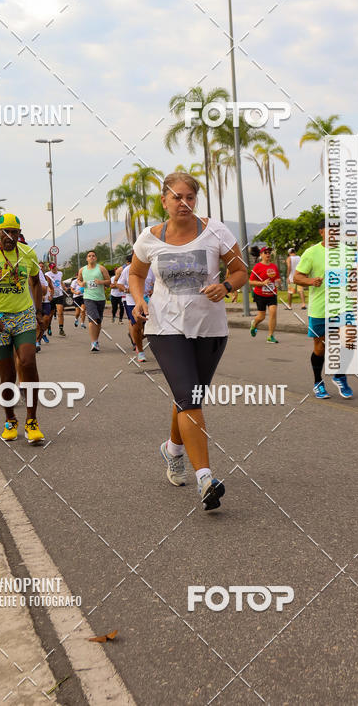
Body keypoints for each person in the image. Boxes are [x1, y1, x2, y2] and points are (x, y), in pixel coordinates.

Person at [129, 171, 247, 511]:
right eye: (177, 197)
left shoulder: (215, 231)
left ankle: (173, 449)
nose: (184, 203)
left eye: (190, 197)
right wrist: (139, 299)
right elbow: (136, 274)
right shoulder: (150, 238)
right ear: (164, 201)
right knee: (189, 397)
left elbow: (240, 270)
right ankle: (206, 479)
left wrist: (225, 287)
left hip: (210, 328)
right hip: (165, 327)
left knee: (189, 396)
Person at [0, 213, 44, 444]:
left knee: (28, 362)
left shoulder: (27, 253)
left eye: (15, 232)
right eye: (7, 232)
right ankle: (10, 419)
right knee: (7, 376)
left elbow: (35, 283)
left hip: (23, 317)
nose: (11, 236)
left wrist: (39, 313)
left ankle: (32, 422)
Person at [293, 220, 354, 400]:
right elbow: (297, 277)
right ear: (321, 232)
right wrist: (311, 281)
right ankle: (318, 382)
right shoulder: (311, 253)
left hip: (343, 306)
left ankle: (339, 376)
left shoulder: (347, 251)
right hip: (320, 309)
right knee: (320, 348)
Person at [118, 256, 154, 363]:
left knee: (152, 327)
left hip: (148, 300)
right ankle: (141, 351)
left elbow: (157, 283)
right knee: (138, 326)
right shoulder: (128, 269)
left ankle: (135, 335)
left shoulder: (151, 269)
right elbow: (119, 284)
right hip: (132, 301)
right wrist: (125, 289)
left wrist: (153, 290)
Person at [78, 250, 111, 352]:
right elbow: (78, 279)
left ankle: (96, 341)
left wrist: (101, 282)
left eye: (93, 256)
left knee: (98, 321)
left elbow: (109, 282)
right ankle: (93, 343)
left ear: (95, 258)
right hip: (88, 297)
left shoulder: (101, 268)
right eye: (89, 256)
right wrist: (81, 284)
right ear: (87, 259)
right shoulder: (82, 270)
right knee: (93, 319)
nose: (91, 257)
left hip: (100, 298)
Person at [249, 247, 281, 343]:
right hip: (260, 295)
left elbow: (277, 279)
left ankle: (270, 336)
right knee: (261, 316)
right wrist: (262, 283)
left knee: (273, 312)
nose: (268, 254)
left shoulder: (274, 266)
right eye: (265, 252)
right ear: (261, 255)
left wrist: (278, 282)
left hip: (272, 294)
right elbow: (250, 282)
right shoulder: (257, 267)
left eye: (269, 252)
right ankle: (254, 323)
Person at [46, 262, 66, 336]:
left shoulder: (60, 273)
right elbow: (47, 284)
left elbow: (60, 281)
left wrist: (64, 286)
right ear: (50, 268)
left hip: (59, 295)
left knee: (60, 312)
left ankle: (61, 329)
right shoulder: (47, 274)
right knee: (50, 314)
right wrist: (49, 292)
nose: (54, 269)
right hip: (52, 296)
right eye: (52, 268)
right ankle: (49, 327)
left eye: (54, 267)